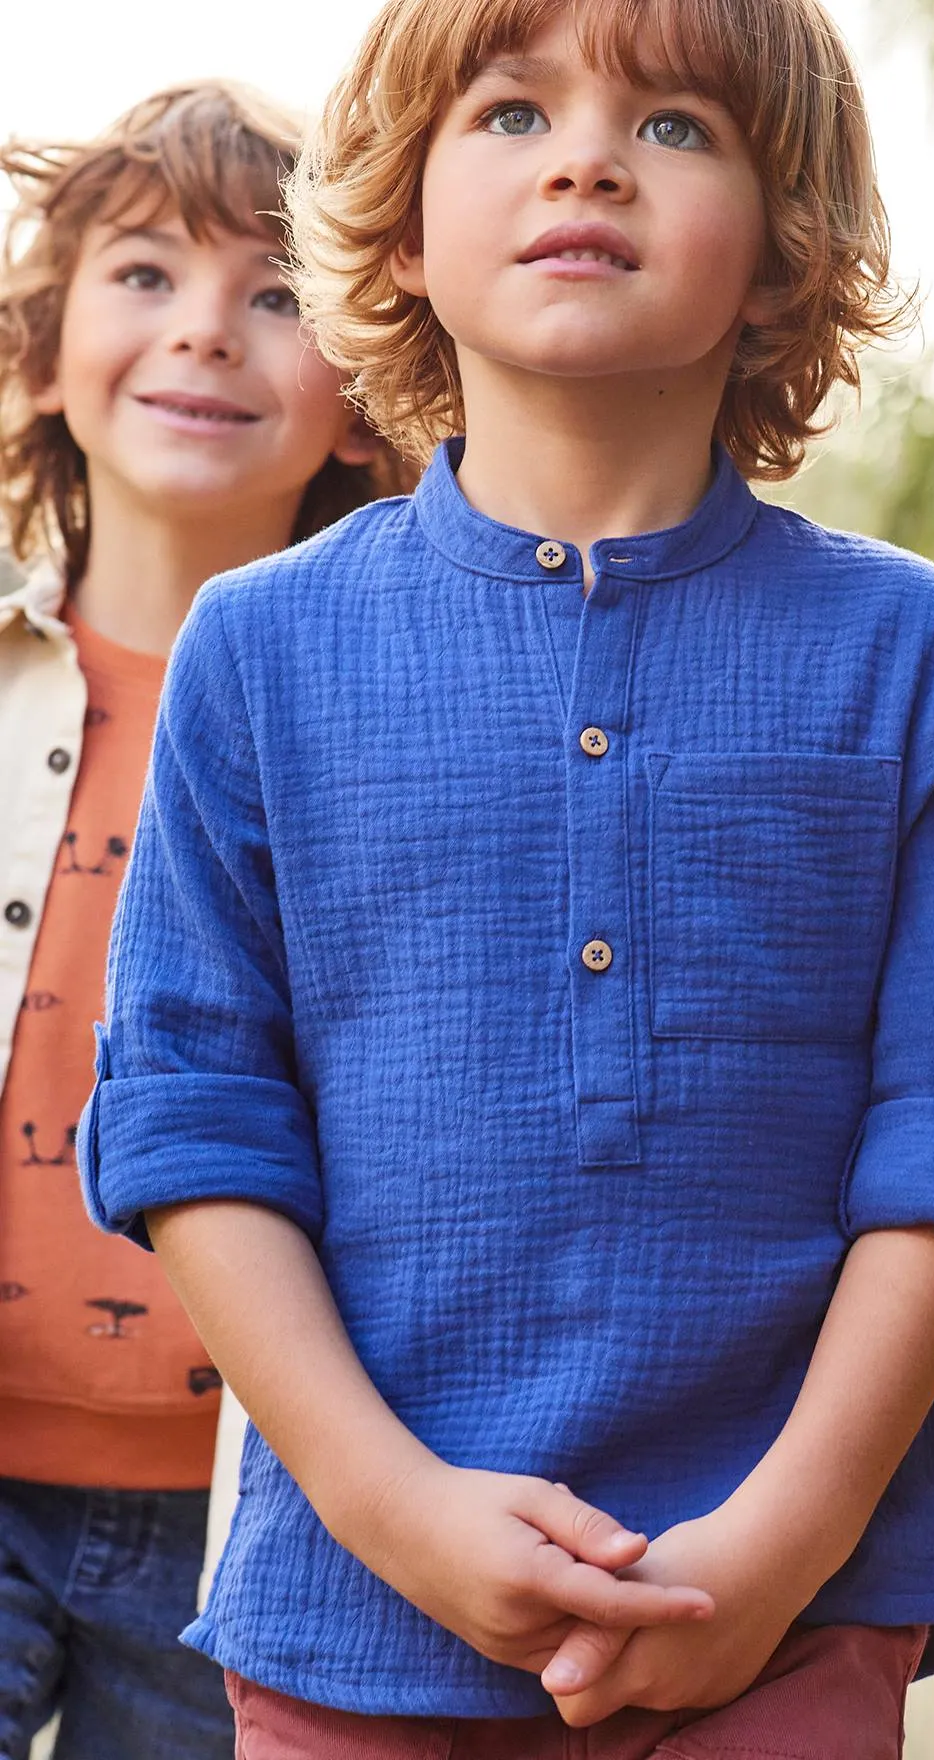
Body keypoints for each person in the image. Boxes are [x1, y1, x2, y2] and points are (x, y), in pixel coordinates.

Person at [78, 3, 934, 1755]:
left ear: (785, 251)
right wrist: (395, 1509)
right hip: (351, 1617)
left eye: (678, 125)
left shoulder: (913, 651)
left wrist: (772, 1553)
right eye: (512, 110)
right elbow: (191, 1122)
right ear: (398, 224)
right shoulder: (258, 652)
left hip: (785, 1614)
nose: (589, 156)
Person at [0, 82, 407, 1760]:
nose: (209, 336)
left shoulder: (395, 727)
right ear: (44, 354)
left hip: (260, 1509)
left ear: (374, 397)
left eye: (279, 293)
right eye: (148, 274)